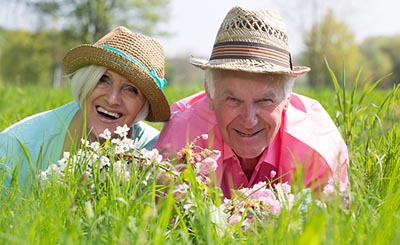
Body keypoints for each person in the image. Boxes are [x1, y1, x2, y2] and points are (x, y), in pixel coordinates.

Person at [156, 6, 349, 198]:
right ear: (210, 95)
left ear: (287, 98)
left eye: (265, 101)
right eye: (233, 100)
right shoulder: (182, 142)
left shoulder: (316, 153)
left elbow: (324, 223)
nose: (249, 121)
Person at [0, 26, 170, 189]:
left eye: (131, 89)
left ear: (144, 104)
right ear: (85, 81)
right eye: (103, 79)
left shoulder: (155, 154)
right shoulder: (15, 146)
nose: (112, 99)